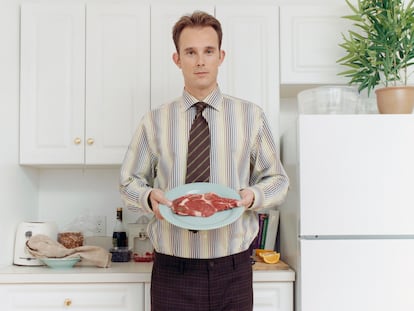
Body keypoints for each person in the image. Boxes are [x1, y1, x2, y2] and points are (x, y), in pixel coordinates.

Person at [119, 11, 289, 311]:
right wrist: (148, 197)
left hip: (233, 271)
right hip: (173, 271)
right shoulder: (154, 121)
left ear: (221, 56)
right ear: (177, 59)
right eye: (191, 52)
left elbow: (277, 180)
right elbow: (128, 181)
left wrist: (253, 196)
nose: (200, 61)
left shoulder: (251, 117)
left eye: (208, 51)